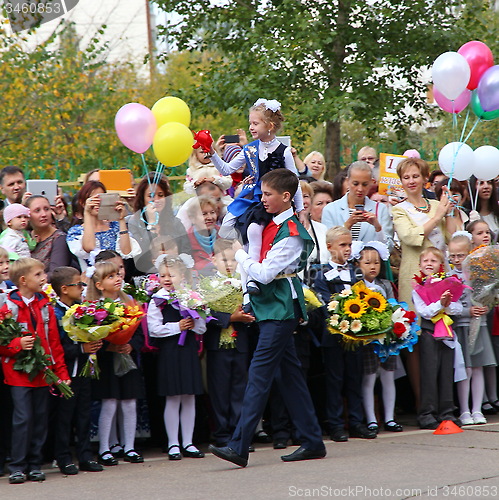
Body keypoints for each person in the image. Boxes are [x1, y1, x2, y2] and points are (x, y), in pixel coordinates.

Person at [209, 169, 326, 467]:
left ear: (286, 197)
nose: (262, 199)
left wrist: (239, 254)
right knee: (289, 377)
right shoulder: (271, 224)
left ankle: (239, 445)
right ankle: (312, 441)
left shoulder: (292, 235)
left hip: (281, 309)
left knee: (258, 377)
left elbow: (263, 273)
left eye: (267, 194)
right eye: (262, 193)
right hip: (270, 307)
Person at [0, 258, 70, 484]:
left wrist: (61, 373)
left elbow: (54, 344)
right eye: (39, 274)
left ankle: (34, 464)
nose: (44, 278)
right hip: (18, 374)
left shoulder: (46, 306)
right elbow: (2, 341)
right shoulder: (7, 307)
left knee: (40, 418)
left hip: (43, 371)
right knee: (23, 418)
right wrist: (16, 345)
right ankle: (17, 465)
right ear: (23, 280)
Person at [312, 226, 376, 442]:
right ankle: (336, 424)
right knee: (334, 380)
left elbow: (364, 298)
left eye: (349, 245)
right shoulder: (319, 273)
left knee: (354, 378)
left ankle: (357, 422)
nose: (348, 249)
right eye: (343, 245)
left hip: (355, 335)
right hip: (333, 335)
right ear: (329, 247)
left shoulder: (356, 272)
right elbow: (324, 304)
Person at [147, 254, 206, 460]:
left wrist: (196, 319)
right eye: (163, 275)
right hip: (170, 351)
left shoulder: (191, 296)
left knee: (189, 396)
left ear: (182, 276)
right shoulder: (157, 300)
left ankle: (188, 442)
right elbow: (154, 329)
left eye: (171, 274)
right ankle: (173, 443)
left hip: (188, 349)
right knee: (173, 397)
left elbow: (201, 328)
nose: (167, 278)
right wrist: (177, 326)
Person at [87, 262, 144, 466]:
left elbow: (138, 331)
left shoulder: (129, 302)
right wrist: (109, 348)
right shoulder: (95, 307)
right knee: (109, 402)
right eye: (111, 277)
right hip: (107, 360)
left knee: (129, 402)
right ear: (100, 285)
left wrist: (130, 345)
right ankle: (104, 448)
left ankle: (129, 447)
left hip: (127, 359)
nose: (118, 278)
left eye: (118, 274)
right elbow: (90, 334)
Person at [51, 266, 104, 475]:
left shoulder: (82, 307)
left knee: (84, 413)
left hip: (83, 369)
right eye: (78, 284)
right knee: (64, 416)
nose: (82, 288)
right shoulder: (55, 312)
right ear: (64, 289)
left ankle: (85, 455)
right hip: (66, 373)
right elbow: (55, 345)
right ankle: (63, 457)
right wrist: (81, 348)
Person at [203, 239, 255, 447]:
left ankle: (239, 433)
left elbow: (252, 305)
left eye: (233, 260)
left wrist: (245, 314)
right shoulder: (207, 285)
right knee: (219, 389)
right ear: (213, 259)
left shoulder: (244, 283)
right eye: (224, 259)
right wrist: (229, 318)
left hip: (240, 342)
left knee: (239, 388)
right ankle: (222, 433)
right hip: (218, 345)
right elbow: (204, 312)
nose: (229, 264)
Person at [353, 241, 403, 433]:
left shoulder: (386, 284)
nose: (373, 266)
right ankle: (371, 419)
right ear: (357, 264)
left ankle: (389, 418)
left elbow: (394, 306)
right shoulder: (356, 286)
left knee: (388, 375)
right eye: (367, 263)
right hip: (368, 339)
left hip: (387, 338)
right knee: (369, 377)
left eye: (376, 263)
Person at [412, 247, 463, 429]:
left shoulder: (448, 283)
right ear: (420, 265)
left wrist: (447, 305)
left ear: (441, 265)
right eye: (425, 261)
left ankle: (447, 411)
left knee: (446, 372)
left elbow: (458, 308)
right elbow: (424, 312)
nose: (429, 264)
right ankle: (427, 412)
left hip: (447, 333)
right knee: (429, 372)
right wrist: (439, 304)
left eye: (433, 261)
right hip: (429, 333)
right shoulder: (418, 288)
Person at [391, 158, 452, 307]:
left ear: (425, 178)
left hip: (440, 272)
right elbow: (410, 236)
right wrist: (438, 216)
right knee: (415, 324)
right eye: (406, 177)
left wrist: (450, 212)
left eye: (415, 176)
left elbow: (450, 238)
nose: (411, 181)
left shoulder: (437, 205)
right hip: (414, 275)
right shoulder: (399, 209)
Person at [448, 234, 495, 426]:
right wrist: (467, 311)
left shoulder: (480, 273)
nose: (457, 260)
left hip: (479, 324)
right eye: (453, 256)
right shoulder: (449, 276)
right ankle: (464, 410)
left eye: (461, 255)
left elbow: (489, 296)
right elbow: (449, 305)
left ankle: (477, 409)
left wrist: (486, 307)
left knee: (477, 368)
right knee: (464, 368)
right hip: (461, 326)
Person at [66, 181, 140, 272]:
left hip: (117, 278)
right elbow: (89, 247)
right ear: (83, 202)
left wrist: (121, 219)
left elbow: (126, 252)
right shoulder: (76, 231)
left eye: (101, 198)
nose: (97, 203)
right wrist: (87, 213)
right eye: (93, 199)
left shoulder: (115, 227)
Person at [128, 173, 191, 275]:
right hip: (145, 275)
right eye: (150, 196)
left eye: (161, 195)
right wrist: (152, 223)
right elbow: (142, 256)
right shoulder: (134, 223)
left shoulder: (175, 223)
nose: (156, 200)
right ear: (142, 198)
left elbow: (186, 251)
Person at [322, 161, 393, 250]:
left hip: (370, 262)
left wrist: (378, 228)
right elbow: (327, 245)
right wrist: (347, 225)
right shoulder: (330, 210)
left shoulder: (380, 209)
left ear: (372, 182)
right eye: (355, 184)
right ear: (347, 181)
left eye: (365, 184)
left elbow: (388, 248)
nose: (360, 189)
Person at [27, 195, 73, 279]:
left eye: (47, 209)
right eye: (37, 211)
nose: (44, 214)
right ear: (28, 215)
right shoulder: (24, 236)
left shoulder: (59, 238)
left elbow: (56, 273)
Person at [186, 195, 219, 272]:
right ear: (192, 218)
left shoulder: (224, 235)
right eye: (204, 214)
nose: (210, 217)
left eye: (212, 212)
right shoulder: (186, 240)